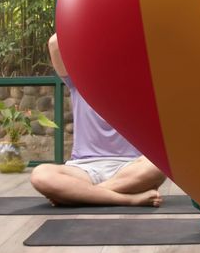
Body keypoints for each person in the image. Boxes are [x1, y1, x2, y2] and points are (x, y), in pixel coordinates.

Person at [29, 34, 165, 207]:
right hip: (84, 169)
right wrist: (98, 22)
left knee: (159, 165)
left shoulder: (141, 84)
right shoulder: (79, 82)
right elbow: (55, 43)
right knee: (41, 175)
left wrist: (72, 192)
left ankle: (82, 194)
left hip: (130, 167)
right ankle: (128, 199)